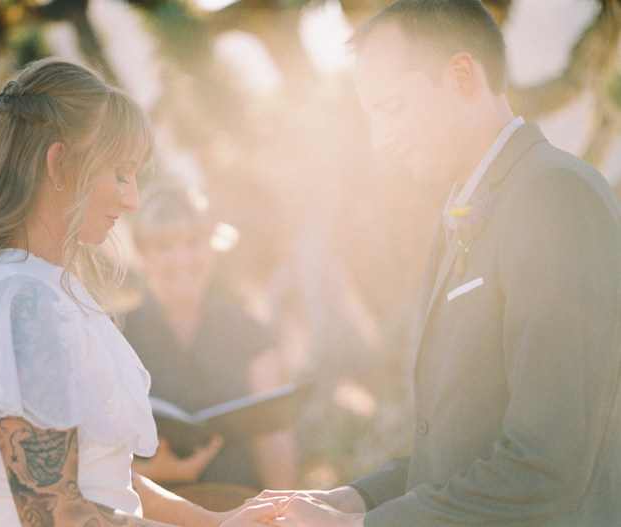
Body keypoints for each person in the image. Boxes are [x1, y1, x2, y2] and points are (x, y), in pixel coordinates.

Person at [257, 1, 621, 525]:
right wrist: (360, 497)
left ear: (461, 75)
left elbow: (547, 463)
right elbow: (459, 446)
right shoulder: (459, 214)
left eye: (393, 107)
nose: (380, 140)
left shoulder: (555, 195)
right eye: (371, 117)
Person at [0, 58, 273, 527]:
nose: (133, 199)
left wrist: (221, 520)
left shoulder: (44, 290)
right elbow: (52, 512)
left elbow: (104, 480)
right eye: (121, 174)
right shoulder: (24, 300)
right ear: (60, 163)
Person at [123, 186, 297, 491]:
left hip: (240, 510)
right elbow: (91, 456)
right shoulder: (115, 335)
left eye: (193, 242)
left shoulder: (250, 331)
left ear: (211, 245)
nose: (182, 258)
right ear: (142, 253)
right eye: (164, 246)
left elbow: (273, 442)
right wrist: (151, 472)